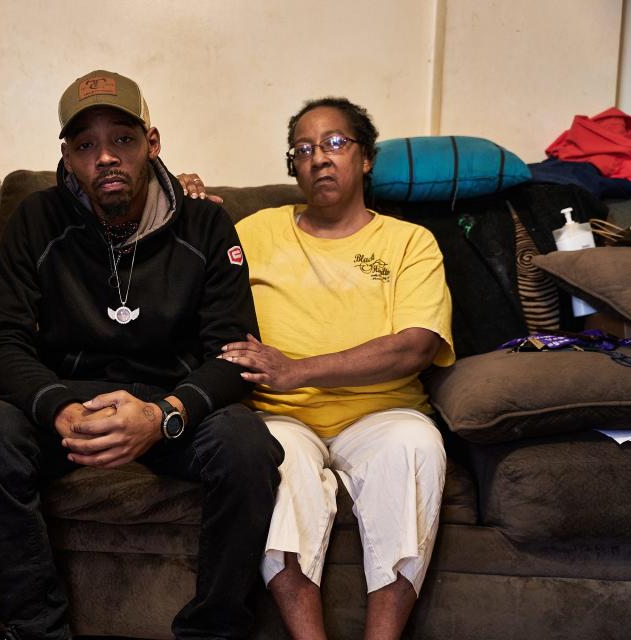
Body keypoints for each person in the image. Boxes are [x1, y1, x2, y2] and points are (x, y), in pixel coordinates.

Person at [0, 69, 284, 640]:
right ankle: (37, 629)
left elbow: (234, 353)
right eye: (86, 145)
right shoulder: (35, 220)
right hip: (71, 404)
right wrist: (57, 407)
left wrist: (164, 415)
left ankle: (214, 631)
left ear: (151, 144)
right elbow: (1, 340)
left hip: (169, 404)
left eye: (122, 140)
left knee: (247, 445)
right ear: (67, 155)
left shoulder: (205, 223)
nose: (105, 157)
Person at [182, 97, 455, 640]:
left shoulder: (409, 243)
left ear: (366, 157)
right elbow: (188, 267)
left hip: (382, 414)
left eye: (335, 143)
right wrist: (189, 203)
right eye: (304, 149)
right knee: (272, 463)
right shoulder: (255, 230)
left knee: (416, 447)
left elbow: (416, 345)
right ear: (293, 165)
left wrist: (297, 370)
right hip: (278, 415)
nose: (319, 159)